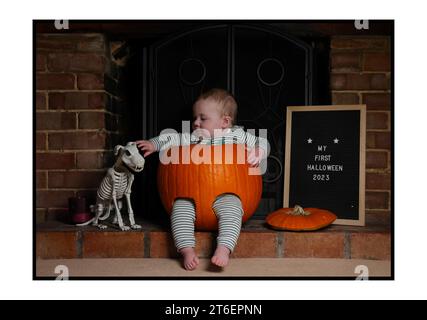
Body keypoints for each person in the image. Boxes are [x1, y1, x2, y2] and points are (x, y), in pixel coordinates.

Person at [136, 88, 268, 270]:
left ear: (225, 122)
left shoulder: (237, 135)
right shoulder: (192, 138)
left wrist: (258, 151)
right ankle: (186, 249)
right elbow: (171, 138)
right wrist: (153, 143)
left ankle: (224, 248)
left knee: (233, 208)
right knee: (179, 209)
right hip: (191, 197)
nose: (196, 123)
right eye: (195, 118)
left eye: (203, 118)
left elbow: (263, 142)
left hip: (227, 194)